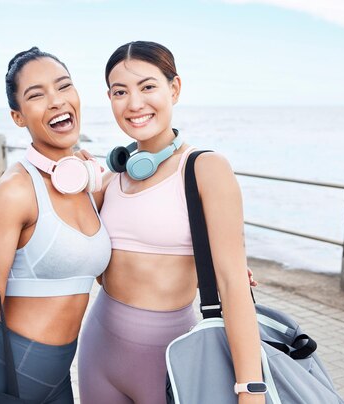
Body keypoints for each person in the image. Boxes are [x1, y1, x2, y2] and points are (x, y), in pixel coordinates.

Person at [78, 41, 265, 404]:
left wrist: (250, 389)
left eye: (148, 87)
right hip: (98, 350)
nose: (134, 104)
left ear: (174, 88)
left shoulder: (205, 169)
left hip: (170, 358)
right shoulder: (110, 178)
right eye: (121, 92)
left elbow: (233, 285)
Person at [0, 47, 111, 403]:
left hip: (57, 378)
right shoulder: (16, 189)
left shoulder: (89, 184)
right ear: (18, 116)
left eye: (63, 86)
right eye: (37, 95)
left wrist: (211, 265)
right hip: (1, 376)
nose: (56, 101)